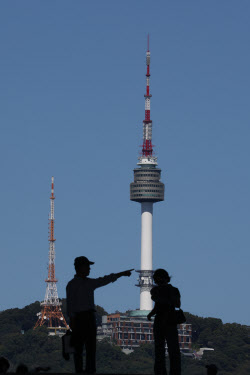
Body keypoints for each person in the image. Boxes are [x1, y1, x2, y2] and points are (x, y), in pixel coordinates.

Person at [66, 256, 133, 374]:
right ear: (80, 267)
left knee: (81, 347)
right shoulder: (83, 284)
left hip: (81, 318)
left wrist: (72, 319)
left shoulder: (74, 284)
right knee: (88, 346)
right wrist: (120, 274)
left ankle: (81, 370)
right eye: (87, 266)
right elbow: (104, 280)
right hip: (83, 318)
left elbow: (70, 305)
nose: (89, 269)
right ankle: (88, 370)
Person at [147, 269, 181, 375]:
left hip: (160, 320)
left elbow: (157, 305)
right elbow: (177, 304)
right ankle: (175, 372)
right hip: (171, 320)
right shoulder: (174, 290)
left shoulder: (155, 291)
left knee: (159, 348)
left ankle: (160, 371)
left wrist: (151, 314)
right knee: (173, 348)